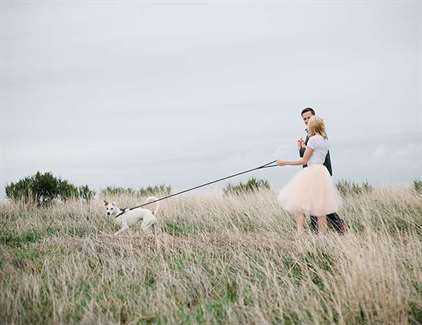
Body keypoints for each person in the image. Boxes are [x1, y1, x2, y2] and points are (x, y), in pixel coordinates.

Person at [277, 116, 342, 233]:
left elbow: (303, 161)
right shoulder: (324, 140)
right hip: (322, 172)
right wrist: (303, 147)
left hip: (312, 172)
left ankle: (300, 234)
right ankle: (322, 237)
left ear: (312, 126)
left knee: (299, 206)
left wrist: (284, 162)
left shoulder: (312, 139)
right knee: (321, 208)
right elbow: (315, 153)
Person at [298, 107, 346, 234]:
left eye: (309, 117)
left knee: (317, 204)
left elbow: (308, 156)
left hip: (318, 173)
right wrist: (303, 147)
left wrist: (301, 148)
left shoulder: (315, 135)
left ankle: (334, 227)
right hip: (316, 173)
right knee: (318, 203)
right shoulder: (313, 134)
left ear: (315, 117)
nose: (307, 120)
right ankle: (336, 227)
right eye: (305, 119)